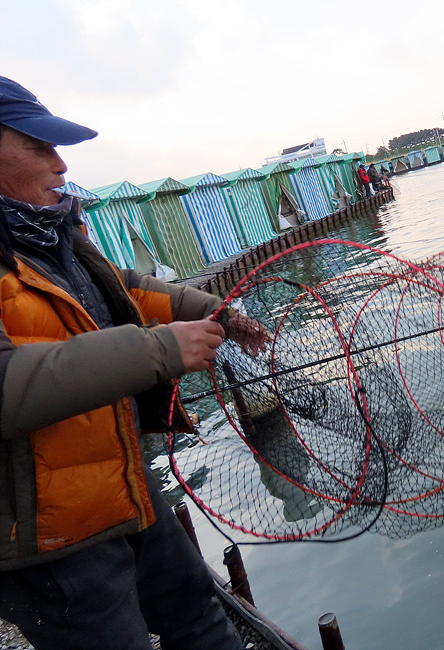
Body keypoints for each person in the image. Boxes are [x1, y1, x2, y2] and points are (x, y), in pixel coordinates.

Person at [0, 76, 271, 650]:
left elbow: (119, 287)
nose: (60, 165)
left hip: (119, 478)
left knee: (198, 614)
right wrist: (159, 350)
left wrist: (217, 312)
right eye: (39, 148)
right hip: (44, 530)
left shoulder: (50, 232)